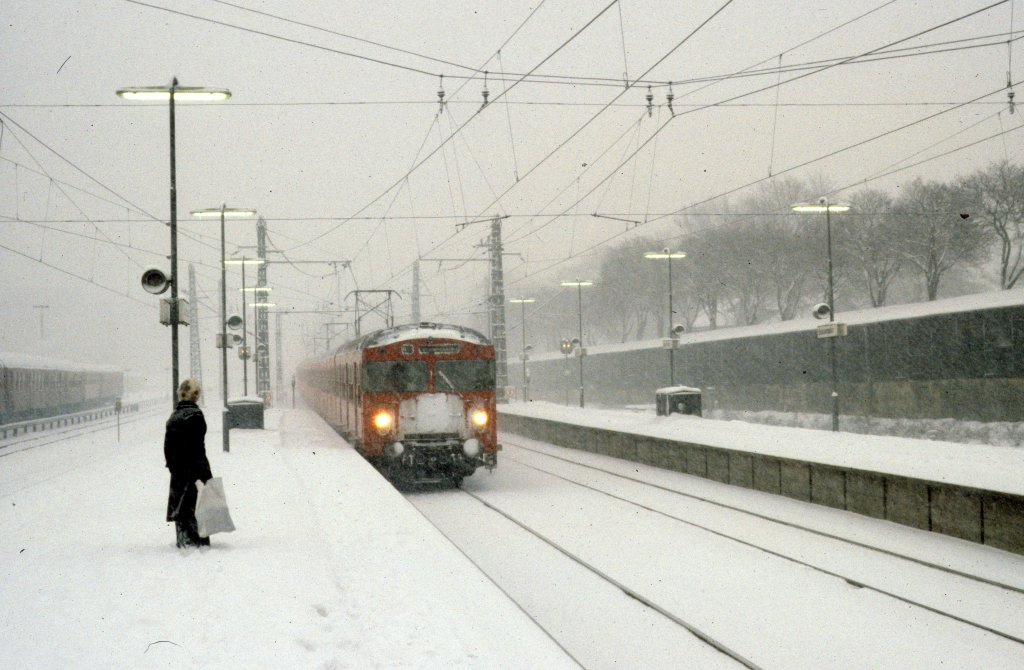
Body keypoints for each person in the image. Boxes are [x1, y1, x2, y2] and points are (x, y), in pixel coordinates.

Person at [164, 379, 213, 548]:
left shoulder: (174, 416)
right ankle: (199, 541)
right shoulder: (196, 415)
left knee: (182, 506)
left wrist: (174, 466)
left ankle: (184, 540)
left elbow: (168, 447)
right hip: (195, 467)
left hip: (178, 470)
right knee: (197, 505)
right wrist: (203, 472)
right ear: (195, 395)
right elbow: (198, 445)